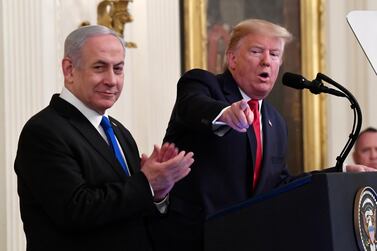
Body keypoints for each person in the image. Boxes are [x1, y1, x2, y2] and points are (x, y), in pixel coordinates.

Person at [149, 18, 376, 251]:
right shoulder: (203, 84)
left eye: (275, 54)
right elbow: (192, 105)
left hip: (248, 239)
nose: (267, 61)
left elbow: (280, 184)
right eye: (257, 51)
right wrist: (225, 113)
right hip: (193, 239)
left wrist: (340, 173)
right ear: (232, 59)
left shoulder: (276, 122)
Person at [14, 25, 194, 251]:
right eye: (99, 67)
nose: (112, 80)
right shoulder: (44, 130)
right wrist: (146, 183)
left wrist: (157, 193)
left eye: (118, 69)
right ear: (69, 70)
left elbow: (132, 212)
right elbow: (75, 211)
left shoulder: (120, 132)